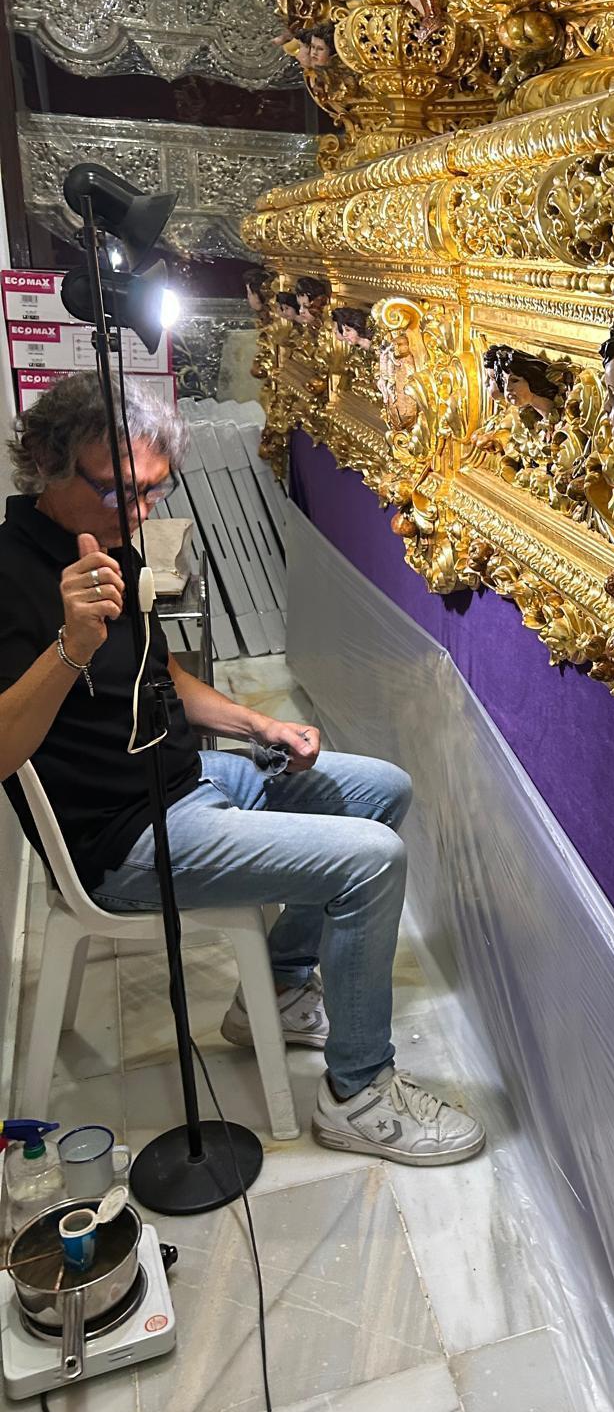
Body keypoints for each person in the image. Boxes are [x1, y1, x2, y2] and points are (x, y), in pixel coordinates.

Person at [0, 375, 484, 1167]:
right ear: (50, 464)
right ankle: (357, 1093)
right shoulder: (9, 577)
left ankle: (288, 985)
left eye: (155, 491)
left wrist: (260, 723)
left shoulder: (111, 541)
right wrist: (69, 647)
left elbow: (159, 677)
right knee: (371, 864)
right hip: (123, 843)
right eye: (121, 491)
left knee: (383, 791)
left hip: (190, 781)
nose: (139, 514)